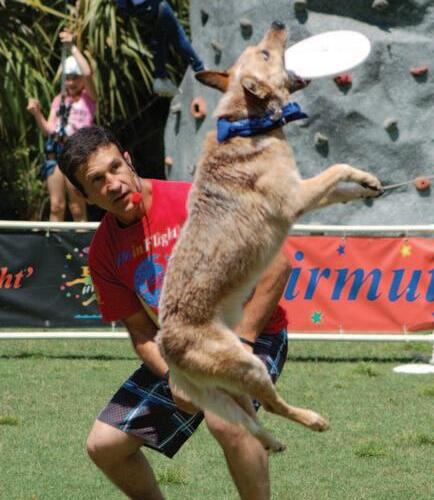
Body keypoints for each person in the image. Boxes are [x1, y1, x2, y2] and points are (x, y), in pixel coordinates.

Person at [58, 125, 292, 500]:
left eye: (115, 167)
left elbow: (277, 265)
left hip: (256, 331)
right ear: (84, 195)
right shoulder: (103, 252)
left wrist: (243, 342)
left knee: (226, 419)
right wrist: (174, 375)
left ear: (128, 160)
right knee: (104, 445)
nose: (113, 184)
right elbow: (141, 333)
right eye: (97, 180)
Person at [27, 30, 97, 221]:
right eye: (67, 78)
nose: (71, 82)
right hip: (55, 150)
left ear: (81, 80)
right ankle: (54, 240)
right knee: (56, 206)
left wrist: (72, 46)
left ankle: (82, 240)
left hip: (76, 151)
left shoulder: (89, 98)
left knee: (77, 206)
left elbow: (87, 72)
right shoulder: (59, 99)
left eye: (75, 77)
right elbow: (49, 130)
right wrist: (37, 113)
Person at [116, 0, 205, 97]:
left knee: (159, 38)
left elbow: (122, 6)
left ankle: (160, 77)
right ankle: (200, 69)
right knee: (177, 34)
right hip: (154, 5)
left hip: (140, 11)